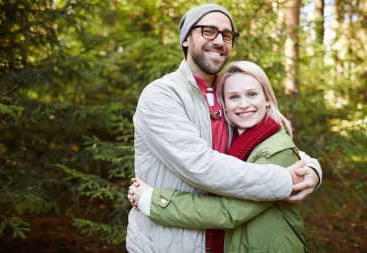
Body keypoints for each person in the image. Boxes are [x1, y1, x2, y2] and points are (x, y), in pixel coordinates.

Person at [126, 4, 322, 253]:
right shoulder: (162, 95)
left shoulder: (229, 94)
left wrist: (313, 169)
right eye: (208, 31)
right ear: (186, 39)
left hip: (225, 241)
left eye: (227, 35)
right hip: (172, 242)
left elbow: (270, 147)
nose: (219, 40)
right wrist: (286, 179)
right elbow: (200, 165)